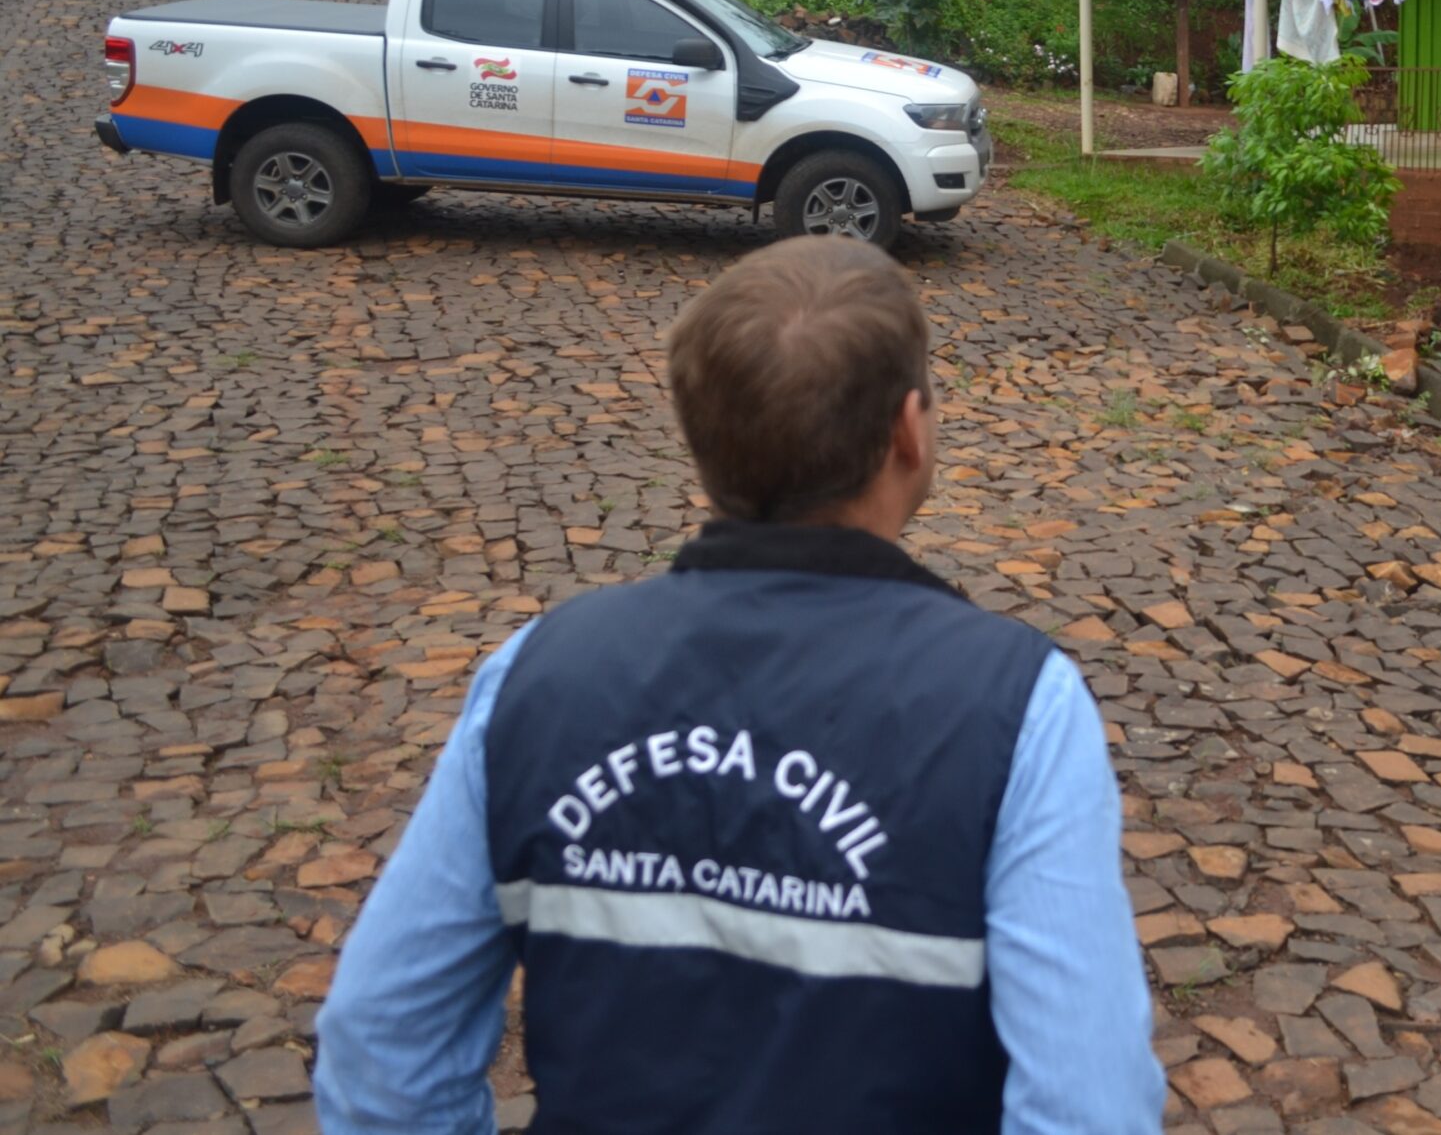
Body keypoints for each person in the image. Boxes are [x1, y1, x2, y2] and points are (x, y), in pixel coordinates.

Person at [315, 238, 1164, 1134]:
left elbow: (382, 1052)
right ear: (909, 431)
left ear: (703, 442)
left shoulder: (533, 674)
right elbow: (1088, 1107)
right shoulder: (1022, 707)